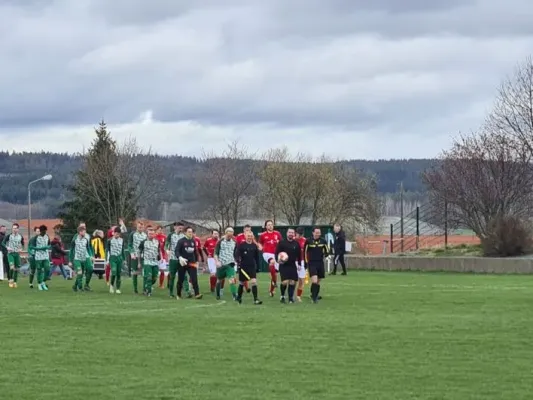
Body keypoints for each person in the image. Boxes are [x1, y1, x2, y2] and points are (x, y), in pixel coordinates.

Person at [234, 230, 262, 305]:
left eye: (251, 236)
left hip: (252, 267)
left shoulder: (254, 246)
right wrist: (238, 262)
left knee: (254, 282)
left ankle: (256, 299)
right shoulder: (241, 245)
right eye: (248, 236)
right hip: (243, 267)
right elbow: (237, 255)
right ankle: (239, 297)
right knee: (241, 283)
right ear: (245, 236)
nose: (249, 237)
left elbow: (256, 257)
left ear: (253, 237)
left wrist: (258, 267)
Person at [275, 228, 302, 303]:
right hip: (284, 265)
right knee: (284, 282)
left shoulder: (296, 243)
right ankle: (282, 296)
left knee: (293, 282)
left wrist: (299, 264)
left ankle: (290, 298)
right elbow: (276, 253)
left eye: (292, 233)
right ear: (287, 233)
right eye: (289, 232)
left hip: (292, 264)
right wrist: (278, 260)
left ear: (294, 234)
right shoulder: (282, 242)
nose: (291, 234)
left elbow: (299, 255)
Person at [175, 226, 202, 300]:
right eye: (189, 232)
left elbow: (195, 252)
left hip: (191, 263)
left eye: (191, 232)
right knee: (180, 279)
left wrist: (196, 261)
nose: (191, 233)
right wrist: (180, 258)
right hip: (183, 263)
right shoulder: (181, 241)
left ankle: (197, 294)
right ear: (185, 233)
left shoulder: (193, 241)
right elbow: (176, 251)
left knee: (194, 278)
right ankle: (178, 294)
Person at [304, 227, 329, 303]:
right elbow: (304, 252)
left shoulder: (323, 241)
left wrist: (326, 254)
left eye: (319, 232)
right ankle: (314, 298)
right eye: (316, 232)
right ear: (313, 233)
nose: (318, 234)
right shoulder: (308, 241)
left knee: (318, 281)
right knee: (314, 280)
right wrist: (306, 262)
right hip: (312, 263)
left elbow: (327, 250)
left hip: (320, 263)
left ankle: (314, 294)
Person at [165, 222, 190, 298]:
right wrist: (167, 250)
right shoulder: (171, 235)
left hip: (182, 259)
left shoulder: (184, 236)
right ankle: (171, 293)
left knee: (184, 276)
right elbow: (166, 244)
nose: (181, 229)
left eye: (182, 228)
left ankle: (187, 292)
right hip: (173, 258)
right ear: (175, 227)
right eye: (179, 228)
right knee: (172, 276)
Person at [258, 220, 282, 297]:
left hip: (276, 254)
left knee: (274, 272)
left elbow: (281, 242)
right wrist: (260, 247)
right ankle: (275, 282)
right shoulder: (263, 235)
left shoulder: (277, 233)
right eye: (268, 225)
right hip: (267, 253)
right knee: (272, 262)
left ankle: (271, 290)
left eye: (271, 224)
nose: (270, 226)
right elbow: (259, 243)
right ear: (266, 226)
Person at [214, 227, 237, 300]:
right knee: (219, 280)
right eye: (229, 234)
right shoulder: (220, 241)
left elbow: (235, 252)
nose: (230, 236)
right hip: (221, 264)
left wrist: (236, 260)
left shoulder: (234, 241)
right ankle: (218, 294)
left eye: (232, 234)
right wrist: (217, 261)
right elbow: (215, 253)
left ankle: (234, 295)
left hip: (230, 264)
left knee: (232, 279)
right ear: (226, 233)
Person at [69, 225, 94, 292]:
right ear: (80, 232)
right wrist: (70, 261)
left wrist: (91, 255)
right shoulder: (75, 239)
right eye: (83, 231)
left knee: (90, 269)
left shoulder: (86, 239)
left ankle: (84, 285)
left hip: (86, 257)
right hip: (77, 258)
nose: (85, 233)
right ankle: (80, 288)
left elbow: (89, 247)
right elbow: (71, 250)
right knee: (80, 273)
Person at [138, 226, 161, 297]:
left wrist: (160, 258)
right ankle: (148, 292)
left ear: (154, 234)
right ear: (147, 234)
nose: (151, 235)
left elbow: (158, 251)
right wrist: (139, 262)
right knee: (149, 277)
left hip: (155, 262)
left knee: (154, 278)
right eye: (150, 234)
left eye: (152, 234)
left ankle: (146, 286)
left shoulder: (157, 242)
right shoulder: (143, 242)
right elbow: (139, 252)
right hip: (147, 262)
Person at [2, 223, 25, 288]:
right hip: (10, 254)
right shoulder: (9, 236)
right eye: (13, 228)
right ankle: (10, 280)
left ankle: (15, 282)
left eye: (16, 228)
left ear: (18, 229)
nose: (14, 229)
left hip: (17, 254)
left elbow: (23, 244)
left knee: (16, 269)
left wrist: (21, 248)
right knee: (12, 267)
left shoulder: (20, 236)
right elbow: (3, 243)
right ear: (12, 229)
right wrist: (7, 247)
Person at [235, 225, 257, 293]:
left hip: (250, 262)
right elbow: (236, 247)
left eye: (249, 230)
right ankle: (244, 290)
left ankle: (253, 296)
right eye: (247, 230)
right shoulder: (239, 237)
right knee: (242, 279)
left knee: (252, 280)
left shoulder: (251, 237)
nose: (248, 231)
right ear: (244, 230)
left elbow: (255, 245)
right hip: (241, 258)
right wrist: (237, 259)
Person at [128, 221, 147, 294]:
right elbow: (129, 245)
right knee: (135, 273)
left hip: (143, 256)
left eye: (142, 227)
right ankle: (135, 289)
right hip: (135, 256)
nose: (140, 228)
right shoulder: (132, 234)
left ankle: (144, 289)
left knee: (145, 272)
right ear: (136, 227)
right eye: (139, 227)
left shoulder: (145, 235)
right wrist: (132, 253)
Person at [106, 227, 125, 294]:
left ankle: (118, 288)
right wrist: (107, 260)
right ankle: (111, 286)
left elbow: (122, 250)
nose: (117, 235)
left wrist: (124, 259)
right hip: (112, 258)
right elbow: (107, 250)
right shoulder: (109, 240)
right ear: (114, 233)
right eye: (116, 233)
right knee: (114, 272)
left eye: (118, 234)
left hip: (119, 258)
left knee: (118, 273)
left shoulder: (122, 240)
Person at [33, 225, 51, 291]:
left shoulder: (47, 236)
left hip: (45, 256)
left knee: (47, 269)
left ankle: (43, 282)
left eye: (45, 231)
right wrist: (40, 248)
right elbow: (32, 247)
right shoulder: (36, 238)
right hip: (38, 256)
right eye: (43, 231)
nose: (45, 232)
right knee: (39, 270)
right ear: (40, 231)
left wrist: (48, 247)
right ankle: (39, 284)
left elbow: (49, 244)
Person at [295, 227, 308, 302]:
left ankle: (298, 296)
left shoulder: (305, 240)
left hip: (302, 262)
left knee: (301, 280)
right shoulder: (293, 240)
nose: (299, 236)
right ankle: (291, 295)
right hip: (294, 262)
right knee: (292, 280)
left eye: (301, 234)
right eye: (298, 234)